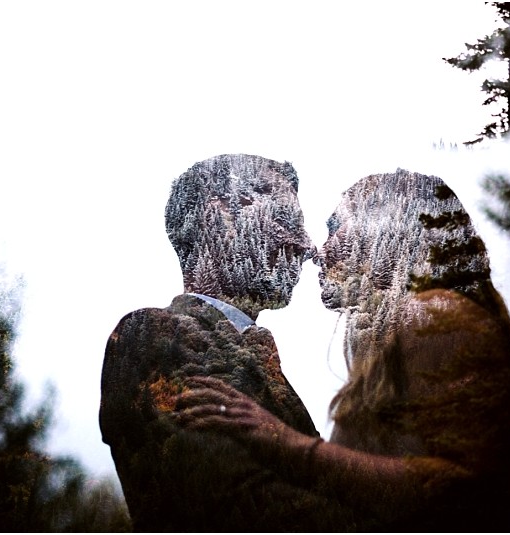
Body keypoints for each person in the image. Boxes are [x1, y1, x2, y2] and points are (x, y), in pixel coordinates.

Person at [175, 169, 510, 532]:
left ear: (387, 230)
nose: (317, 251)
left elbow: (466, 490)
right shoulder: (397, 331)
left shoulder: (433, 313)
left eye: (334, 227)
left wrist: (283, 442)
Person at [100, 154, 353, 531]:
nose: (307, 247)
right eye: (287, 219)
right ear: (218, 216)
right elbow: (244, 509)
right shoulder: (150, 335)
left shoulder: (240, 348)